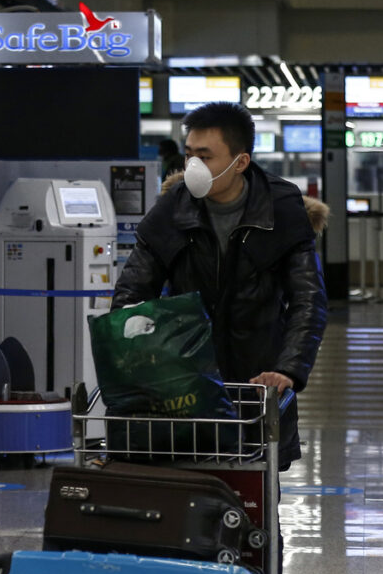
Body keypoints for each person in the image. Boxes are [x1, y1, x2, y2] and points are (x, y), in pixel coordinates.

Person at [114, 102, 328, 470]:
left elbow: (309, 299)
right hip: (184, 387)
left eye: (205, 156)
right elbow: (132, 292)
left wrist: (288, 369)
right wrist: (143, 357)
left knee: (254, 491)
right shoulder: (171, 211)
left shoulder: (281, 210)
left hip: (257, 386)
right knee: (184, 490)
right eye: (189, 154)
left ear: (240, 162)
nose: (192, 166)